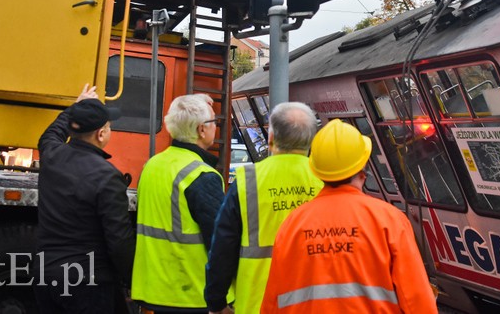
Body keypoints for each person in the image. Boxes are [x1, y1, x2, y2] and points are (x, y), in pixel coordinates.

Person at [261, 119, 439, 313]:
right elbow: (417, 299)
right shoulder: (389, 220)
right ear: (362, 170)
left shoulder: (291, 225)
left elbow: (272, 302)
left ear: (317, 171)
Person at [205, 102, 323, 314]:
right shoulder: (325, 180)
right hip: (314, 304)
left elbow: (223, 248)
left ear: (271, 138)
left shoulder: (247, 180)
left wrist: (216, 302)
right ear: (311, 140)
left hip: (257, 303)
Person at [35, 84, 135, 314]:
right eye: (109, 127)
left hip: (45, 276)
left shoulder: (51, 156)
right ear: (101, 134)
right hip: (88, 282)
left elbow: (51, 134)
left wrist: (76, 108)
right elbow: (119, 240)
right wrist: (132, 280)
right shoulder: (107, 176)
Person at [131, 94, 232, 313]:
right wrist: (221, 301)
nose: (216, 127)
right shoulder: (202, 175)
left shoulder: (152, 165)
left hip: (154, 290)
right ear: (201, 129)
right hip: (191, 294)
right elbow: (219, 243)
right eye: (214, 122)